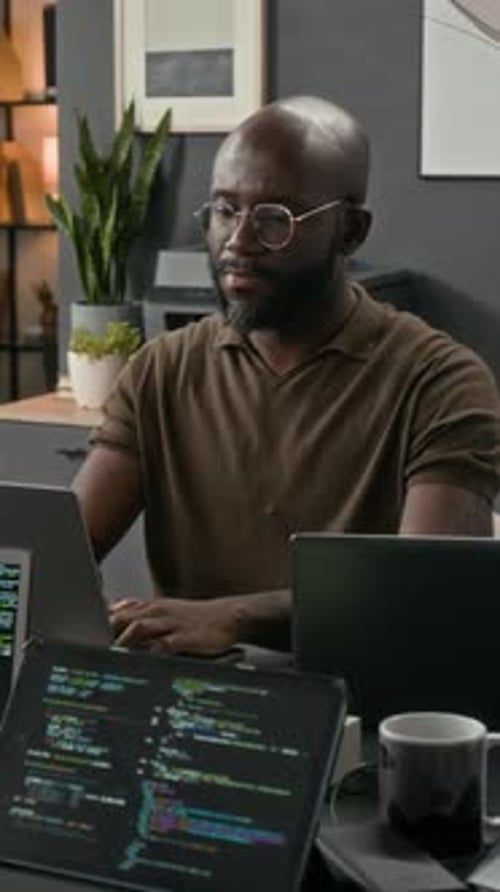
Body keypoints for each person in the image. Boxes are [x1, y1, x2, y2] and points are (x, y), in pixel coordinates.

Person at [73, 95, 500, 655]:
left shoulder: (441, 383)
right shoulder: (161, 370)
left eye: (275, 219)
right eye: (225, 210)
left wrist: (235, 618)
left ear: (350, 231)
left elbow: (423, 593)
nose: (238, 242)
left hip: (357, 708)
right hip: (191, 705)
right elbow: (62, 549)